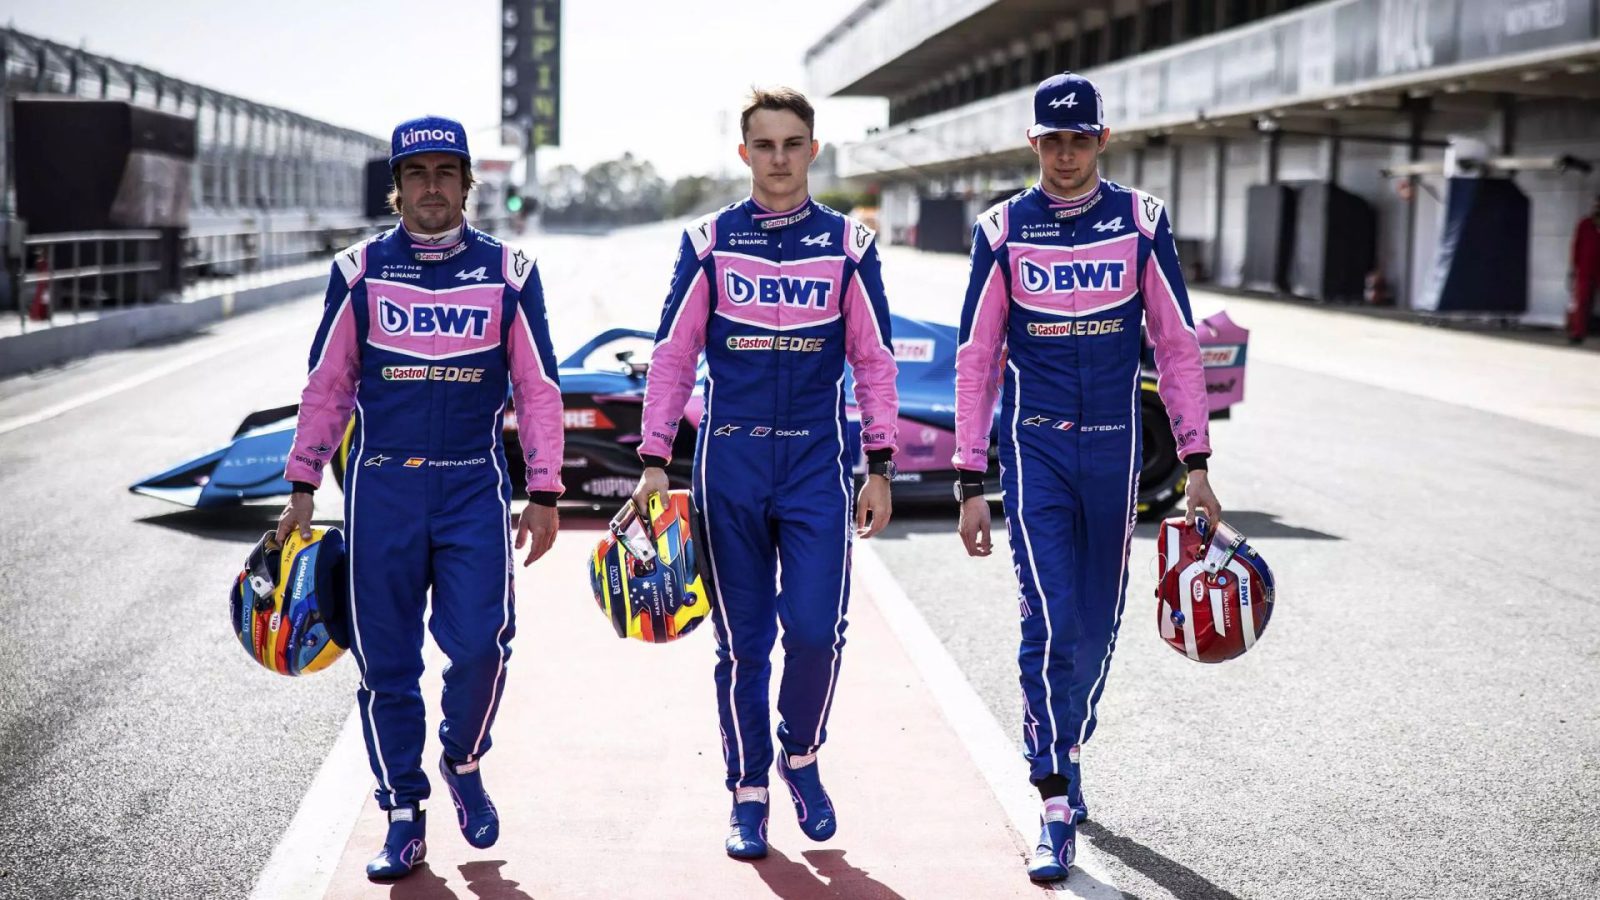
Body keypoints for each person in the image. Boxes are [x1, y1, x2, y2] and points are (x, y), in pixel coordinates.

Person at [275, 115, 565, 882]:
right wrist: (303, 482)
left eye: (446, 172)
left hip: (473, 483)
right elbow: (328, 386)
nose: (431, 186)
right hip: (383, 490)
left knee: (479, 648)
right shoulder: (359, 269)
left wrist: (544, 488)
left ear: (468, 184)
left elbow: (538, 391)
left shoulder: (510, 271)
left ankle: (462, 762)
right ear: (396, 187)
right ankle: (404, 812)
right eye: (416, 173)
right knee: (387, 666)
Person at [950, 72, 1221, 884]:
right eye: (1051, 141)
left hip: (1116, 453)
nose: (1065, 155)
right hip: (1034, 451)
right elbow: (975, 360)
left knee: (1097, 628)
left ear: (1102, 140)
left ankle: (1069, 734)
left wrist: (1198, 462)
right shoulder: (1000, 230)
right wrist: (969, 477)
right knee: (1051, 615)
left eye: (1079, 139)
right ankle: (1054, 794)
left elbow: (1175, 346)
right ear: (1032, 143)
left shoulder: (1142, 223)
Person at [631, 87, 899, 861]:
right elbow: (674, 357)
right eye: (764, 145)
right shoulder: (708, 242)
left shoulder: (851, 246)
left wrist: (878, 461)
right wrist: (654, 461)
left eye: (793, 144)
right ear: (743, 153)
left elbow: (874, 362)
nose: (779, 159)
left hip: (818, 463)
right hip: (731, 465)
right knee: (744, 646)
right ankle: (747, 794)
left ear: (813, 151)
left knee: (816, 632)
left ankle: (801, 755)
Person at [1567, 193, 1600, 344]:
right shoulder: (1585, 224)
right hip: (1585, 268)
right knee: (1582, 301)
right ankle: (1578, 333)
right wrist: (1573, 268)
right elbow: (1576, 246)